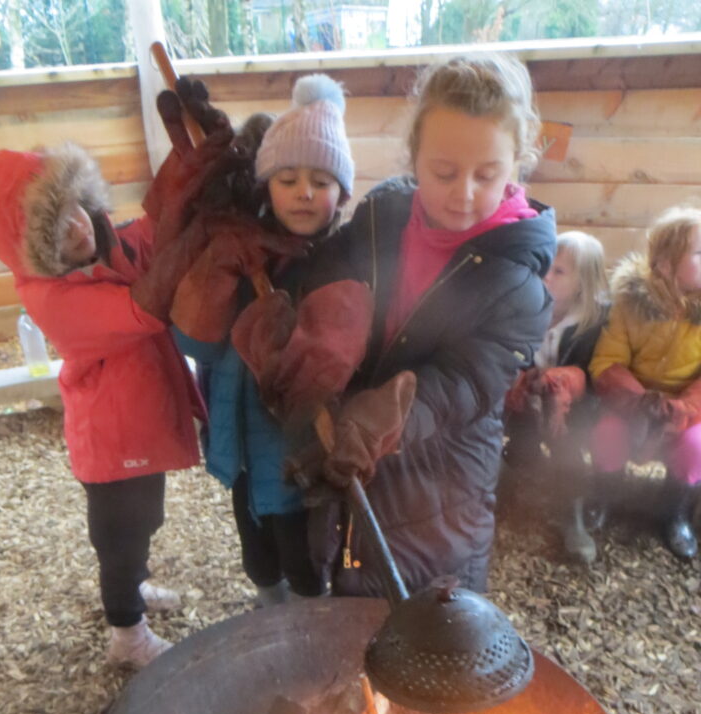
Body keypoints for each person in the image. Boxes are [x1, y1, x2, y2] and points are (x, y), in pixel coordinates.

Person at [233, 53, 557, 598]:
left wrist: (391, 415)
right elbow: (330, 267)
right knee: (353, 599)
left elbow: (466, 382)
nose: (464, 192)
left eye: (487, 175)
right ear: (414, 156)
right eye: (444, 172)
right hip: (354, 457)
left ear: (516, 166)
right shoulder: (382, 215)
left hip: (440, 487)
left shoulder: (517, 282)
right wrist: (306, 323)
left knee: (431, 623)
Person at [0, 141, 207, 667]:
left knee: (145, 519)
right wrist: (193, 239)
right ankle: (127, 634)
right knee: (119, 537)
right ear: (32, 250)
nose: (77, 227)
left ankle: (134, 588)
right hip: (112, 439)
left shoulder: (104, 246)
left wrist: (188, 170)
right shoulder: (50, 297)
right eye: (55, 230)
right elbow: (144, 311)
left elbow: (153, 230)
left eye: (75, 207)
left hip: (138, 424)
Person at [170, 74, 372, 605]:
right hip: (239, 439)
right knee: (257, 558)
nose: (304, 192)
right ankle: (272, 614)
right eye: (287, 178)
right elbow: (197, 345)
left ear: (341, 193)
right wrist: (219, 272)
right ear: (266, 186)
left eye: (321, 181)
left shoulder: (339, 266)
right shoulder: (243, 253)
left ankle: (309, 627)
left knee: (305, 560)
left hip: (296, 451)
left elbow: (335, 363)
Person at [588, 204, 701, 560]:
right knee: (607, 433)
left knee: (695, 446)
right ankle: (606, 494)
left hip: (687, 406)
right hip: (633, 401)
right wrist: (641, 404)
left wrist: (683, 408)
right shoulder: (631, 305)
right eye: (699, 253)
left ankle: (675, 513)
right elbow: (608, 360)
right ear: (665, 265)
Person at [503, 231, 610, 563]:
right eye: (546, 265)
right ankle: (511, 486)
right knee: (519, 446)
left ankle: (572, 515)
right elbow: (510, 351)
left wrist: (560, 387)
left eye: (559, 271)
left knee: (568, 454)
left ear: (582, 284)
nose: (546, 275)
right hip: (526, 398)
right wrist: (521, 381)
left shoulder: (594, 324)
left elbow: (593, 375)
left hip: (569, 408)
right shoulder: (526, 307)